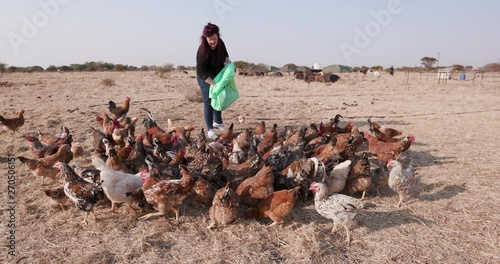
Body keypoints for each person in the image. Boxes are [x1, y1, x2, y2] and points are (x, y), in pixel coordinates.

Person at [196, 22, 230, 139]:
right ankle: (210, 129)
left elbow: (225, 55)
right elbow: (201, 71)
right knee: (209, 101)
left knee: (219, 97)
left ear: (217, 36)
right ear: (205, 39)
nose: (212, 41)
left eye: (214, 38)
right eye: (210, 39)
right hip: (205, 77)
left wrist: (228, 62)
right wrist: (214, 84)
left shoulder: (221, 43)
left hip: (218, 74)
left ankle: (218, 121)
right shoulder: (202, 51)